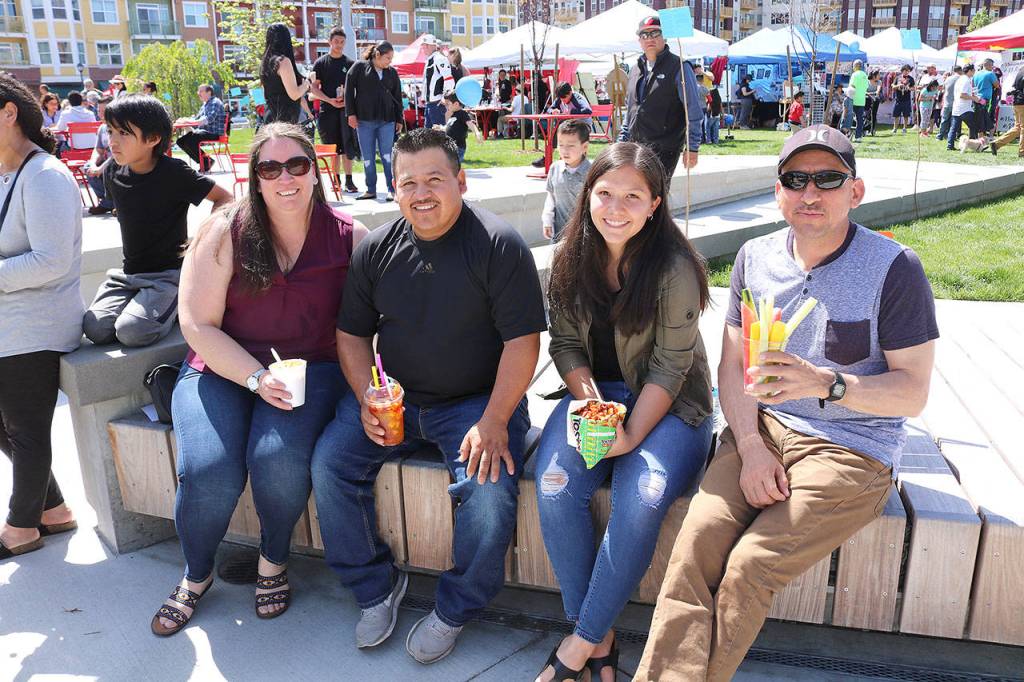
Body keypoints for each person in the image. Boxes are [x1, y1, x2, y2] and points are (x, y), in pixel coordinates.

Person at [635, 124, 938, 681]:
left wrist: (827, 383)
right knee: (694, 548)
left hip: (853, 449)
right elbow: (732, 364)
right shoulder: (756, 256)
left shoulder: (895, 268)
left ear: (856, 190)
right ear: (778, 190)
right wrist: (749, 445)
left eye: (828, 179)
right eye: (795, 179)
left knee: (750, 565)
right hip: (762, 430)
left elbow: (912, 392)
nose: (810, 193)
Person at [311, 128, 546, 664]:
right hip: (395, 399)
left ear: (460, 180)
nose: (422, 193)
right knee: (329, 464)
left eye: (435, 179)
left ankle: (456, 607)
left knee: (486, 494)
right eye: (407, 182)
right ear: (394, 189)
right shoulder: (377, 248)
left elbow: (523, 343)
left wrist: (494, 420)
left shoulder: (497, 244)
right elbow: (350, 333)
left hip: (478, 403)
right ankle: (374, 588)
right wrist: (365, 395)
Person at [149, 122, 368, 636]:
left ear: (317, 171)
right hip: (222, 367)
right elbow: (197, 324)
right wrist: (253, 377)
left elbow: (366, 326)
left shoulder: (349, 237)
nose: (285, 177)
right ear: (255, 178)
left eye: (297, 165)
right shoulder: (226, 230)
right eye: (270, 168)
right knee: (208, 469)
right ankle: (196, 574)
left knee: (278, 461)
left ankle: (273, 561)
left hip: (308, 373)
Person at [533, 142, 713, 682]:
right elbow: (564, 344)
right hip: (595, 393)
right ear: (588, 193)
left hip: (671, 402)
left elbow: (670, 366)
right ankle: (601, 640)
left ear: (655, 203)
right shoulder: (570, 254)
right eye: (605, 193)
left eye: (633, 196)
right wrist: (591, 403)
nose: (616, 207)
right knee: (556, 485)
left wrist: (630, 434)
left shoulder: (674, 267)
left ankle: (575, 649)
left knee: (644, 495)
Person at [0, 74, 83, 561]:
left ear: (9, 112)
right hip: (10, 323)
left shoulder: (45, 176)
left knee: (27, 432)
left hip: (35, 327)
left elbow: (52, 259)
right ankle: (53, 509)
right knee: (7, 429)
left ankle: (20, 526)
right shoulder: (7, 173)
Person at [82, 95, 232, 347]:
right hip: (128, 274)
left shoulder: (174, 172)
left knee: (132, 332)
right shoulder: (112, 171)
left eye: (123, 133)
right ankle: (147, 305)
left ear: (152, 139)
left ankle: (176, 303)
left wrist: (202, 243)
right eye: (110, 131)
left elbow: (225, 198)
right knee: (95, 329)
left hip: (168, 276)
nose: (113, 141)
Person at [619, 16, 704, 179]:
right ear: (639, 40)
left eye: (655, 33)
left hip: (664, 149)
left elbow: (693, 112)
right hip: (635, 147)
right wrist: (621, 141)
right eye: (644, 35)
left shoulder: (680, 67)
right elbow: (630, 111)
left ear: (665, 36)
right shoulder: (635, 69)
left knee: (655, 197)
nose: (649, 38)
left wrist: (692, 148)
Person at [345, 41, 403, 202]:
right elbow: (349, 91)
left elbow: (397, 97)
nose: (389, 61)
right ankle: (371, 189)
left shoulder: (391, 73)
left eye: (391, 58)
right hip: (364, 120)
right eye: (387, 58)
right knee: (368, 157)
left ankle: (392, 189)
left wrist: (399, 119)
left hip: (387, 120)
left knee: (387, 156)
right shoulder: (358, 68)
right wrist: (350, 114)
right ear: (377, 55)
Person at [310, 26, 360, 194]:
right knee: (333, 148)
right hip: (327, 111)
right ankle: (335, 180)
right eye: (336, 41)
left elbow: (355, 89)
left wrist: (346, 99)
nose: (339, 45)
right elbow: (314, 89)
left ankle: (349, 180)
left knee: (347, 147)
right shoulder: (321, 63)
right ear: (329, 42)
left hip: (345, 111)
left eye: (342, 42)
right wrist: (329, 100)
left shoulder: (350, 64)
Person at [542, 119, 591, 242]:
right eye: (561, 145)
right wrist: (547, 220)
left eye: (570, 145)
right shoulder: (555, 168)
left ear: (584, 147)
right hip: (559, 233)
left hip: (584, 235)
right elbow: (551, 197)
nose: (564, 150)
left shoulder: (591, 172)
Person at [261, 23, 309, 125]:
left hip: (270, 115)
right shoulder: (283, 61)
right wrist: (306, 84)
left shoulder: (266, 62)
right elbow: (294, 94)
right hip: (284, 118)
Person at [174, 84, 226, 173]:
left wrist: (190, 122)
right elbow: (197, 119)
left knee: (193, 138)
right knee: (180, 141)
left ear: (209, 92)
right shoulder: (205, 105)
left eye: (201, 91)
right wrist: (185, 121)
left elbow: (209, 119)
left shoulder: (215, 102)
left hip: (214, 133)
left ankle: (206, 162)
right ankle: (205, 161)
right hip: (204, 132)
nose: (198, 93)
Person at [84, 95, 115, 215]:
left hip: (119, 161)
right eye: (99, 111)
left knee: (110, 170)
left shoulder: (120, 127)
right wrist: (93, 164)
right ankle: (109, 202)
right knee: (88, 168)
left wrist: (101, 168)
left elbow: (118, 154)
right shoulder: (102, 128)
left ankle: (109, 203)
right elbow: (98, 150)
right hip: (106, 160)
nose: (101, 114)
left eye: (104, 111)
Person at [990, 65, 1024, 157]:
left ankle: (996, 144)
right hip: (1022, 103)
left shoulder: (1020, 72)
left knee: (1018, 128)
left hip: (1017, 102)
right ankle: (1022, 152)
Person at [438, 92, 480, 164]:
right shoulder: (452, 114)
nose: (446, 107)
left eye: (448, 104)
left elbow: (470, 123)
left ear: (456, 104)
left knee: (452, 166)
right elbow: (449, 127)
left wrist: (477, 132)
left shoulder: (462, 114)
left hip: (458, 147)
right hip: (450, 146)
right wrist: (441, 128)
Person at [422, 35, 453, 129]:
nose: (423, 48)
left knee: (438, 136)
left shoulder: (439, 59)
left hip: (437, 103)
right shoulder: (430, 60)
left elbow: (449, 80)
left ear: (431, 46)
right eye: (424, 45)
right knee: (428, 136)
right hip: (431, 103)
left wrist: (445, 98)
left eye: (425, 45)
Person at [947, 64, 980, 151]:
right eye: (973, 70)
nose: (974, 72)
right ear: (970, 71)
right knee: (973, 126)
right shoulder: (966, 80)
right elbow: (962, 95)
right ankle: (974, 145)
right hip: (964, 108)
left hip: (957, 107)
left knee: (953, 128)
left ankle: (949, 146)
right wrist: (974, 98)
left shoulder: (960, 79)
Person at [973, 59, 999, 136]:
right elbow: (997, 85)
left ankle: (981, 135)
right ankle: (988, 135)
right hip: (985, 99)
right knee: (985, 117)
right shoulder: (990, 74)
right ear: (987, 65)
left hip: (976, 98)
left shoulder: (976, 74)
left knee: (980, 117)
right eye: (992, 65)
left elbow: (973, 85)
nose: (992, 67)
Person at [938, 66, 962, 142]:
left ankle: (940, 135)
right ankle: (952, 136)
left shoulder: (948, 78)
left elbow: (944, 89)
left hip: (947, 102)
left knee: (944, 120)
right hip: (956, 103)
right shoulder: (961, 78)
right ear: (960, 70)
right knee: (954, 122)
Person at [892, 65, 915, 135]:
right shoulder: (898, 77)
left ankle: (904, 128)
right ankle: (895, 128)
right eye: (905, 70)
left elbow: (913, 88)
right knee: (896, 115)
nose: (906, 72)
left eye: (908, 70)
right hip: (898, 99)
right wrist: (898, 86)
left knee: (906, 115)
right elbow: (892, 86)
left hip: (906, 99)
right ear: (902, 70)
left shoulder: (911, 79)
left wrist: (908, 88)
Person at [849, 59, 867, 140]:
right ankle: (858, 136)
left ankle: (848, 135)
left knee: (849, 117)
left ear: (856, 66)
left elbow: (852, 86)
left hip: (853, 99)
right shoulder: (865, 75)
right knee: (860, 119)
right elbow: (866, 87)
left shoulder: (854, 74)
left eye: (853, 66)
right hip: (862, 100)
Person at [706, 76, 723, 145]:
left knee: (708, 127)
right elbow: (721, 107)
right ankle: (716, 141)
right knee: (716, 129)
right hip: (718, 115)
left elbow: (709, 108)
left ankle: (709, 140)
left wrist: (707, 110)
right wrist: (722, 114)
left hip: (712, 115)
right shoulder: (719, 99)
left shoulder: (711, 99)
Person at [865, 71, 882, 136]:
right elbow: (864, 90)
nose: (879, 76)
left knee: (873, 114)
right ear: (874, 76)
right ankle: (866, 127)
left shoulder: (879, 82)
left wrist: (874, 93)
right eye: (878, 75)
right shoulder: (866, 81)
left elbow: (878, 90)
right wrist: (867, 93)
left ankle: (873, 129)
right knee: (866, 113)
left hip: (875, 99)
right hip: (867, 98)